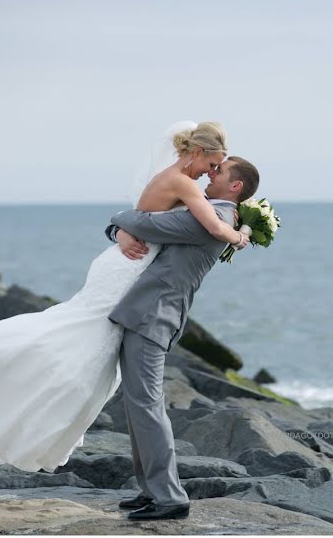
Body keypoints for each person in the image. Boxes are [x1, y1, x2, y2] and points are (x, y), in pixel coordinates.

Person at [0, 122, 254, 489]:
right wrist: (239, 235)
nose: (211, 173)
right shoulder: (192, 191)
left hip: (134, 282)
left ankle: (154, 489)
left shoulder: (199, 197)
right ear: (198, 153)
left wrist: (127, 227)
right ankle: (160, 491)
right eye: (213, 163)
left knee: (80, 354)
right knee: (75, 347)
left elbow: (153, 220)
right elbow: (153, 221)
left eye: (218, 169)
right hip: (129, 281)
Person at [104, 154, 259, 521]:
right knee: (139, 406)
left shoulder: (210, 219)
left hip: (153, 316)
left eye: (218, 171)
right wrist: (122, 231)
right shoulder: (212, 216)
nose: (209, 173)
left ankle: (169, 496)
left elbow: (143, 221)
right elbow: (143, 227)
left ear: (235, 187)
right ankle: (151, 490)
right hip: (151, 315)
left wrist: (119, 223)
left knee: (147, 406)